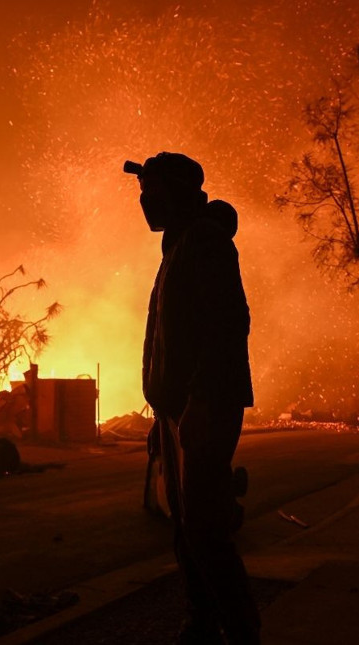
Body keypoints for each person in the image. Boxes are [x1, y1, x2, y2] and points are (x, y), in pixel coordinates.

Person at [125, 152, 260, 644]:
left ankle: (240, 631)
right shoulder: (179, 244)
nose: (144, 202)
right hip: (177, 410)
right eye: (141, 193)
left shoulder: (203, 241)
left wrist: (200, 400)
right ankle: (201, 622)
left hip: (201, 406)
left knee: (205, 531)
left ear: (178, 192)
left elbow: (228, 323)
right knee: (187, 531)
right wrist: (160, 412)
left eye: (152, 191)